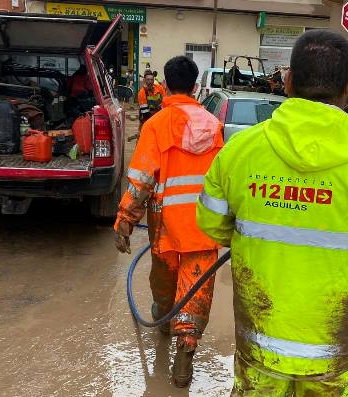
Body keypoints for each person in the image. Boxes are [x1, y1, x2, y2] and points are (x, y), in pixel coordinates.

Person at [196, 29, 348, 396]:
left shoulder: (240, 151)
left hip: (261, 344)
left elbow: (211, 224)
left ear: (287, 80)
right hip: (337, 350)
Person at [114, 56, 224, 388]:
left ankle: (164, 318)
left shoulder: (157, 125)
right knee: (196, 287)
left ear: (165, 83)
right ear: (195, 87)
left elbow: (141, 179)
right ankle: (187, 345)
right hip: (205, 227)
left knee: (164, 282)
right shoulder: (214, 126)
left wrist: (125, 219)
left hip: (166, 228)